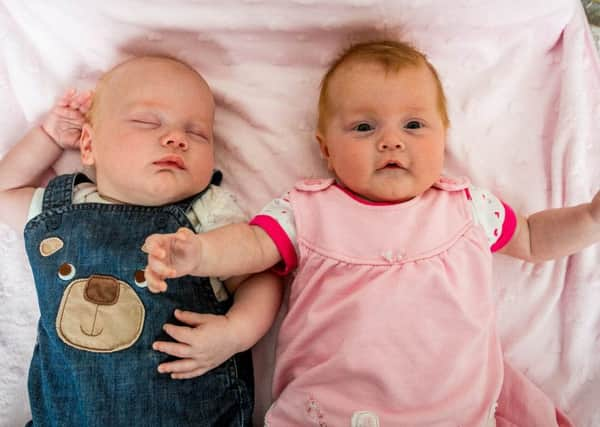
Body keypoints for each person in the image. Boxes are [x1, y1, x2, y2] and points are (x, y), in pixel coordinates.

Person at [143, 41, 599, 426]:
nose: (391, 140)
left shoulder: (467, 207)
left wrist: (589, 219)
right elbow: (252, 244)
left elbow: (535, 239)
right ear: (326, 150)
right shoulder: (308, 209)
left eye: (414, 125)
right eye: (364, 127)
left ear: (444, 137)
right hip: (329, 413)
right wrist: (199, 253)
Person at [0, 55, 281, 427]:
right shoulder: (61, 209)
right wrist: (48, 137)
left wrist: (236, 333)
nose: (176, 138)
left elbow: (259, 275)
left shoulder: (208, 215)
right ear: (89, 145)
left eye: (197, 133)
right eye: (148, 122)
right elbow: (5, 192)